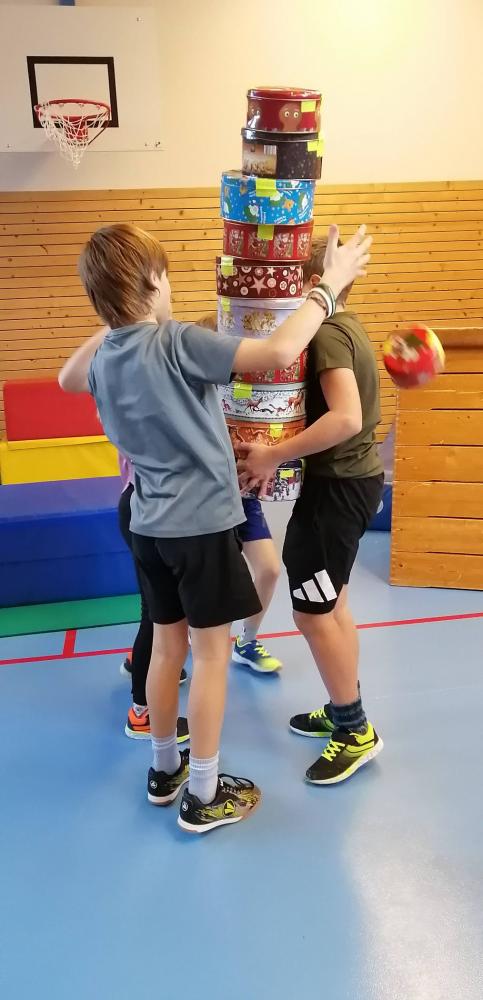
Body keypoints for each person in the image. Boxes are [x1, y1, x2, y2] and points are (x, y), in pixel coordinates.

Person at [59, 221, 371, 833]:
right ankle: (204, 791)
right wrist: (327, 288)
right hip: (200, 528)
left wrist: (113, 315)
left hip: (148, 527)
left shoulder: (104, 361)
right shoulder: (177, 342)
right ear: (154, 282)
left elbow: (67, 378)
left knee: (165, 648)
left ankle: (164, 768)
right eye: (166, 278)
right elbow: (277, 353)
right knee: (209, 656)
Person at [238, 234, 384, 786]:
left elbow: (345, 418)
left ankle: (355, 730)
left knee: (311, 613)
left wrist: (273, 454)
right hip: (348, 484)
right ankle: (343, 702)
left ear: (312, 284)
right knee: (334, 603)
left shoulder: (324, 333)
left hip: (337, 491)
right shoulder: (349, 325)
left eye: (293, 283)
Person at [197, 313, 282, 675]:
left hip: (243, 497)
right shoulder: (194, 394)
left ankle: (246, 642)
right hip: (206, 501)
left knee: (270, 569)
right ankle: (167, 644)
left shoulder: (241, 391)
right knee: (210, 581)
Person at [117, 452, 189, 740]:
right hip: (151, 506)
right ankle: (142, 713)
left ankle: (142, 665)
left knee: (155, 607)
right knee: (159, 613)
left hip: (141, 501)